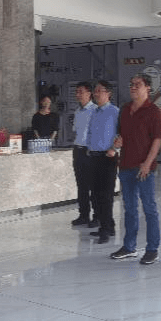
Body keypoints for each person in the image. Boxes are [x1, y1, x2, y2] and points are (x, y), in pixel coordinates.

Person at [109, 73, 161, 265]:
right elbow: (121, 136)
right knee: (130, 209)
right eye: (131, 84)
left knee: (149, 208)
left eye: (137, 84)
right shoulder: (125, 110)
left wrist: (147, 163)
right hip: (125, 166)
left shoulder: (153, 111)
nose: (133, 87)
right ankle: (129, 247)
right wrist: (117, 143)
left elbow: (157, 140)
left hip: (144, 168)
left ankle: (152, 249)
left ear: (148, 87)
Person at [85, 80, 120, 244]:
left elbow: (122, 134)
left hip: (108, 157)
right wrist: (88, 148)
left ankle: (105, 230)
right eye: (95, 91)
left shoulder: (115, 112)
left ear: (108, 93)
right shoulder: (94, 112)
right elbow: (91, 132)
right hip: (93, 156)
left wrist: (114, 149)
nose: (96, 93)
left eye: (100, 90)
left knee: (106, 195)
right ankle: (108, 226)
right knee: (96, 194)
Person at [70, 82, 97, 227]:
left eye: (80, 91)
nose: (77, 95)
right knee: (81, 185)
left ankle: (97, 217)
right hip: (78, 150)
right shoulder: (77, 111)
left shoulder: (95, 110)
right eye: (76, 92)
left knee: (94, 185)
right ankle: (83, 215)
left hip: (90, 151)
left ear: (89, 93)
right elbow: (76, 131)